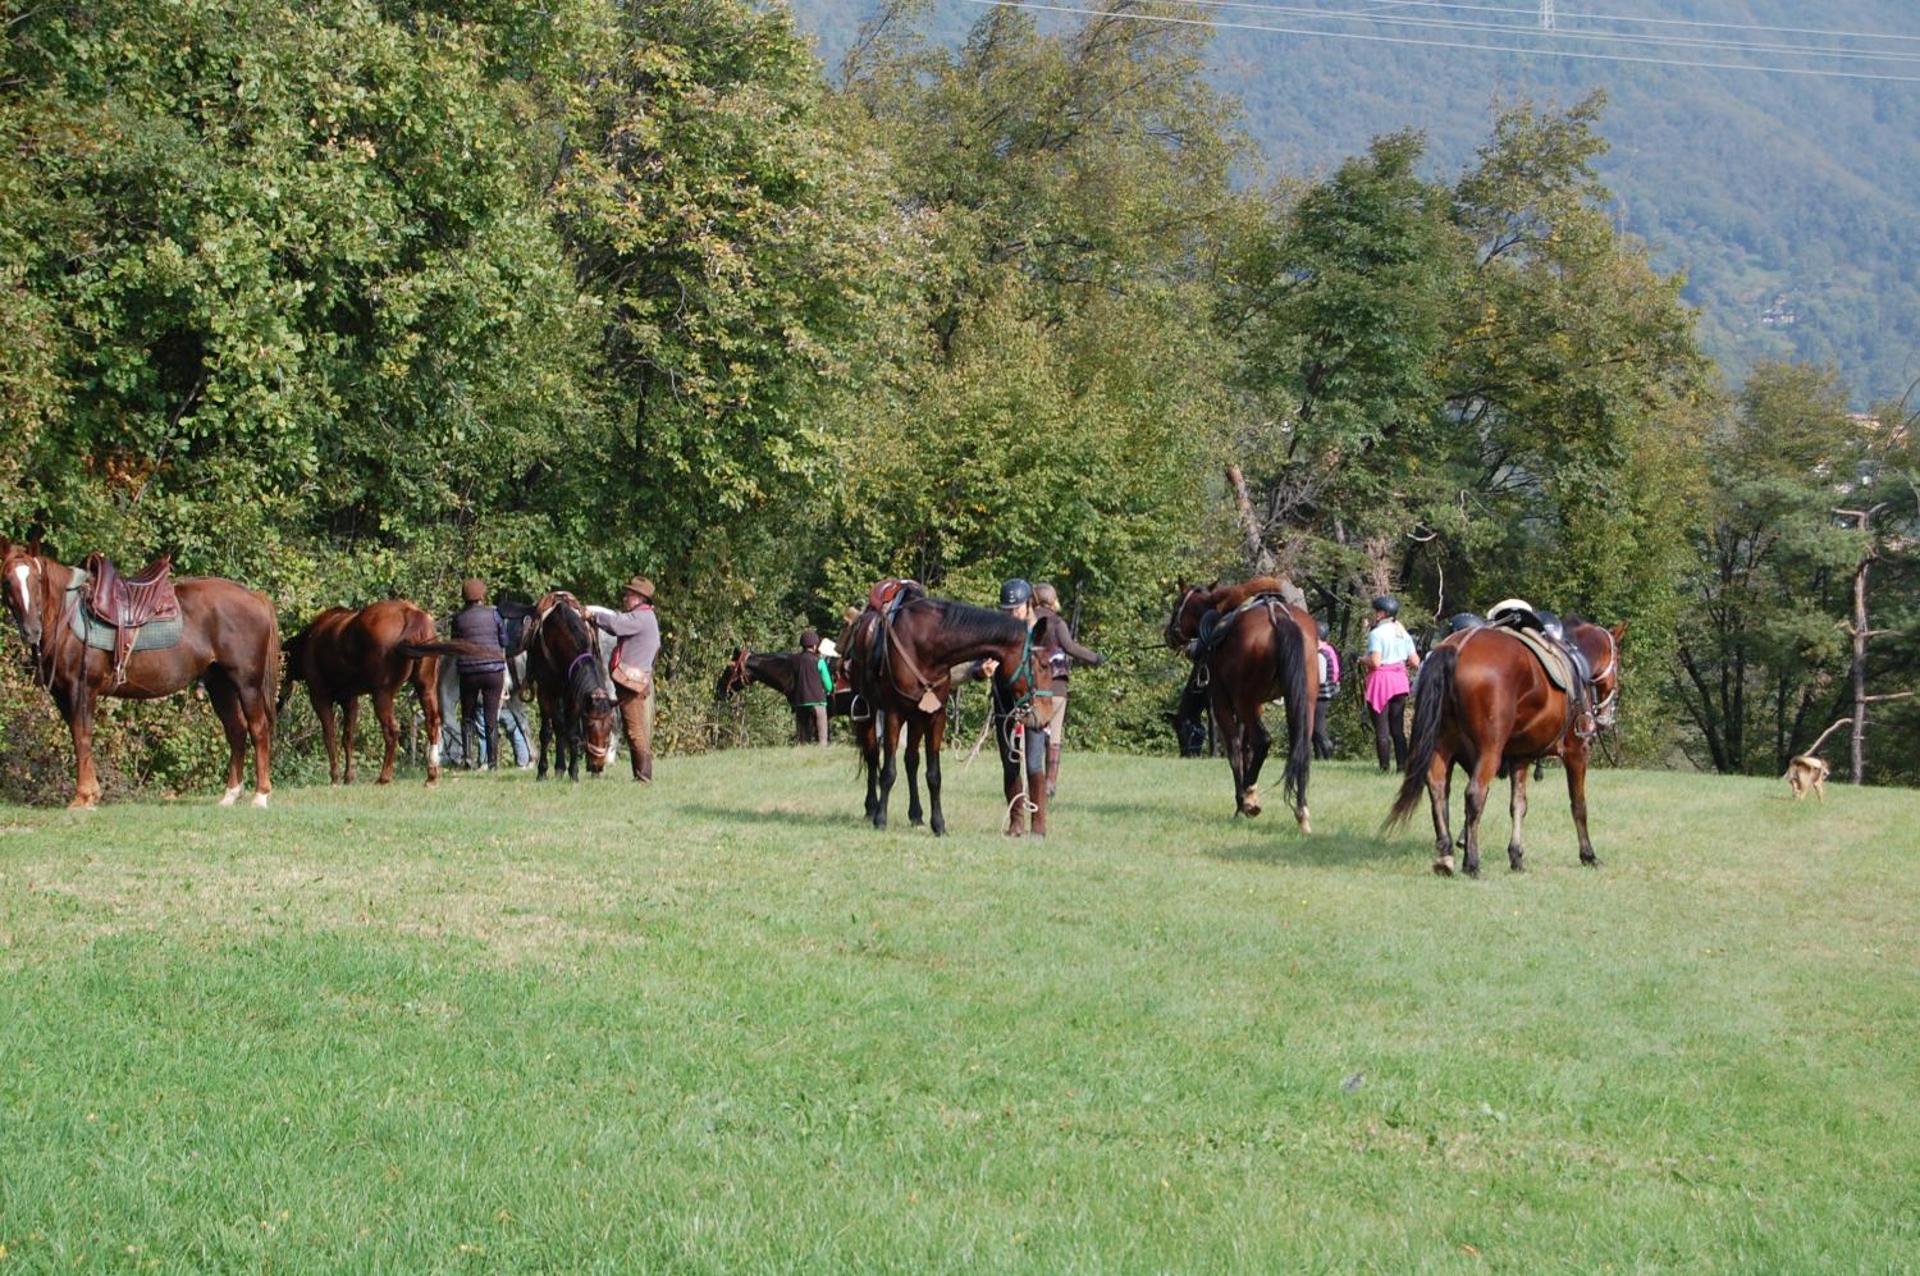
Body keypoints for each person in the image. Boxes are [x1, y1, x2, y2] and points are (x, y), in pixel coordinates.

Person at [1027, 581, 1101, 796]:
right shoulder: (1056, 622)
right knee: (1055, 735)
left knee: (1033, 733)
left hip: (1032, 687)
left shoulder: (1027, 622)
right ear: (1052, 600)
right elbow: (1070, 648)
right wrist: (1095, 658)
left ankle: (1032, 781)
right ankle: (1050, 783)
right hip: (1057, 685)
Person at [588, 576, 660, 783]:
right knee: (634, 730)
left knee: (635, 730)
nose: (625, 598)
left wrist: (593, 614)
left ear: (639, 598)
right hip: (631, 681)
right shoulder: (643, 617)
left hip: (631, 682)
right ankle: (640, 775)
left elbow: (616, 623)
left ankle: (643, 777)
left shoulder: (640, 618)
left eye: (629, 595)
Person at [451, 578, 510, 771]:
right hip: (494, 671)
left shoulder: (458, 618)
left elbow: (455, 645)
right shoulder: (494, 614)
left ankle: (468, 757)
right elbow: (504, 641)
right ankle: (492, 762)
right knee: (490, 716)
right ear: (482, 596)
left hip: (469, 671)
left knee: (467, 715)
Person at [1364, 594, 1421, 772]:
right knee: (1397, 728)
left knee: (1382, 729)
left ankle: (1384, 767)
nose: (1374, 614)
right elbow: (1415, 661)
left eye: (1375, 611)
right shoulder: (1403, 634)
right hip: (1399, 680)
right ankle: (1403, 766)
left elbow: (1375, 662)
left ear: (1382, 613)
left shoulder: (1376, 634)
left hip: (1381, 681)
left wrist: (1360, 659)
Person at [791, 628, 833, 746]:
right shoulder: (819, 661)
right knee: (822, 734)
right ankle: (822, 747)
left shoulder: (794, 660)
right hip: (818, 700)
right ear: (814, 646)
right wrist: (829, 689)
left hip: (800, 701)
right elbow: (827, 683)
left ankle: (803, 748)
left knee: (802, 736)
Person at [1313, 619, 1341, 760]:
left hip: (1321, 693)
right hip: (1327, 692)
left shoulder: (1320, 653)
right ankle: (1319, 757)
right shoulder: (1329, 649)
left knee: (1318, 728)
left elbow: (1321, 678)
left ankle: (1328, 756)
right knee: (1315, 727)